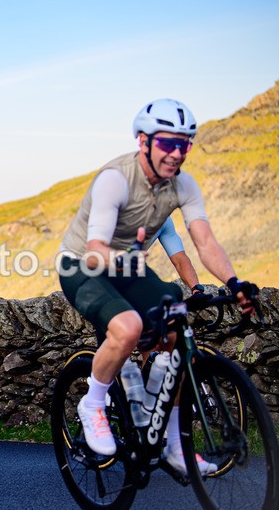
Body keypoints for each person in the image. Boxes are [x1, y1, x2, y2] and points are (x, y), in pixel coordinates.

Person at [57, 99, 257, 475]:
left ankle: (173, 441)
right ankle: (93, 402)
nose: (176, 153)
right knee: (129, 326)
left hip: (128, 265)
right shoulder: (116, 179)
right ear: (143, 141)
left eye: (184, 144)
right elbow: (97, 251)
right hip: (82, 263)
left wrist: (234, 282)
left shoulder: (183, 185)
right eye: (167, 142)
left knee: (177, 331)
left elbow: (205, 242)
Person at [151, 216, 205, 295]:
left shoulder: (164, 220)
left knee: (175, 291)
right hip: (128, 263)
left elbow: (179, 260)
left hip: (134, 265)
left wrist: (196, 290)